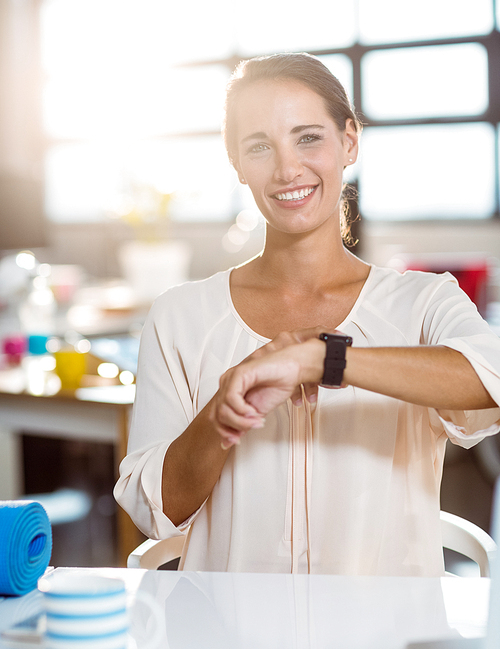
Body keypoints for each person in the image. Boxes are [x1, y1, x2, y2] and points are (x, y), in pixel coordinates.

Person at [115, 52, 500, 576]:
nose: (287, 169)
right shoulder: (180, 316)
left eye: (308, 137)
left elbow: (491, 377)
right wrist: (218, 419)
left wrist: (323, 359)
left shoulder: (424, 302)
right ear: (237, 165)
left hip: (386, 643)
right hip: (227, 645)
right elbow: (154, 509)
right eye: (259, 147)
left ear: (349, 141)